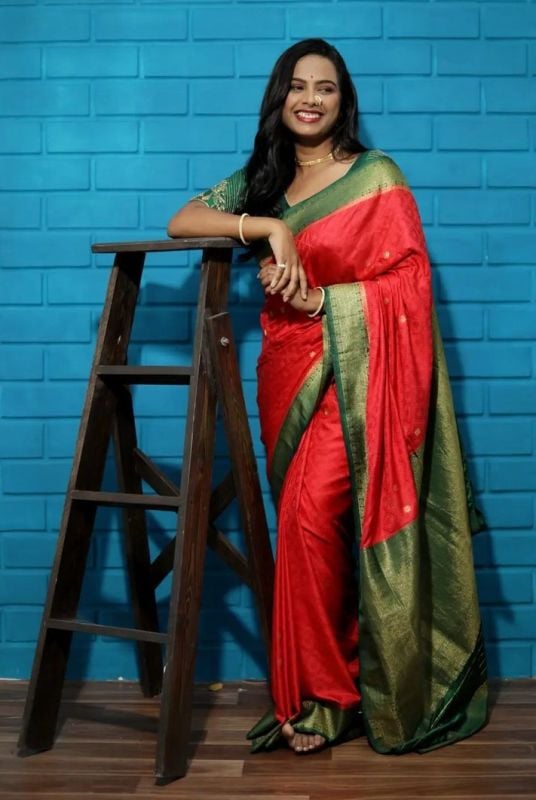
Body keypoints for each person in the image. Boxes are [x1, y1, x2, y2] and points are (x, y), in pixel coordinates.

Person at [167, 38, 488, 757]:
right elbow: (182, 220)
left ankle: (331, 699)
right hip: (287, 373)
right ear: (279, 96)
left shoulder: (376, 177)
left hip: (361, 372)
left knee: (312, 518)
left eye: (327, 88)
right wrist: (269, 226)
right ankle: (328, 688)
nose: (310, 99)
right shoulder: (263, 181)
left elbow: (409, 285)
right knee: (307, 533)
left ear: (345, 102)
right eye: (298, 86)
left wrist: (322, 301)